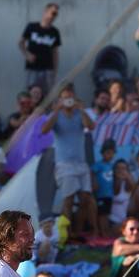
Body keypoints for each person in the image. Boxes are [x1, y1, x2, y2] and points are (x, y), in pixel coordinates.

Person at [41, 85, 97, 235]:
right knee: (68, 199)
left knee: (85, 198)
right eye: (65, 98)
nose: (68, 101)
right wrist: (56, 110)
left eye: (70, 98)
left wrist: (82, 109)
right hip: (64, 164)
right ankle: (65, 233)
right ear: (60, 99)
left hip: (80, 162)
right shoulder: (56, 115)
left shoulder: (80, 114)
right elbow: (44, 130)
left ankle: (78, 232)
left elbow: (91, 126)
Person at [19, 3, 61, 94]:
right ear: (46, 11)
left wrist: (55, 72)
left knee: (47, 96)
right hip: (32, 68)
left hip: (47, 69)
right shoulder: (32, 27)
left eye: (56, 14)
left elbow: (55, 53)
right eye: (53, 13)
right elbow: (20, 43)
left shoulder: (55, 32)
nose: (54, 16)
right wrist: (27, 54)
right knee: (31, 94)